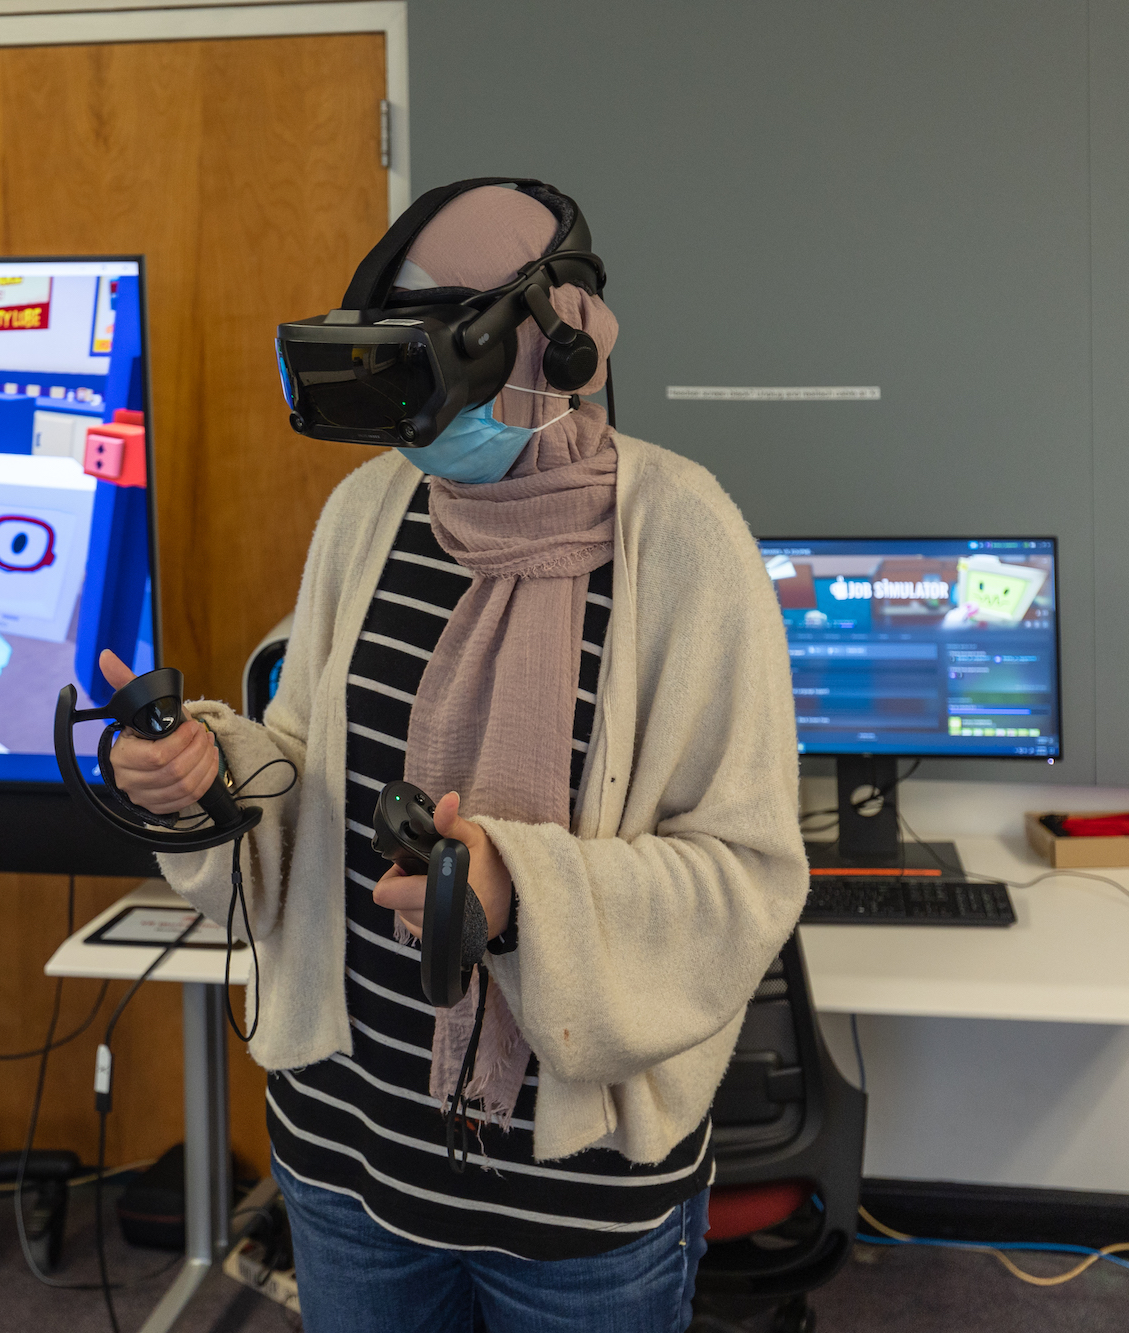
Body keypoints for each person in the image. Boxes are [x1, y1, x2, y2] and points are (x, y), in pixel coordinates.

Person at [98, 182, 807, 1332]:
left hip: (575, 1205)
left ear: (552, 345)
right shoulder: (367, 512)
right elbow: (301, 768)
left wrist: (516, 896)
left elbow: (746, 872)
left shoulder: (685, 539)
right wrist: (209, 777)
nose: (418, 429)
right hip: (344, 1156)